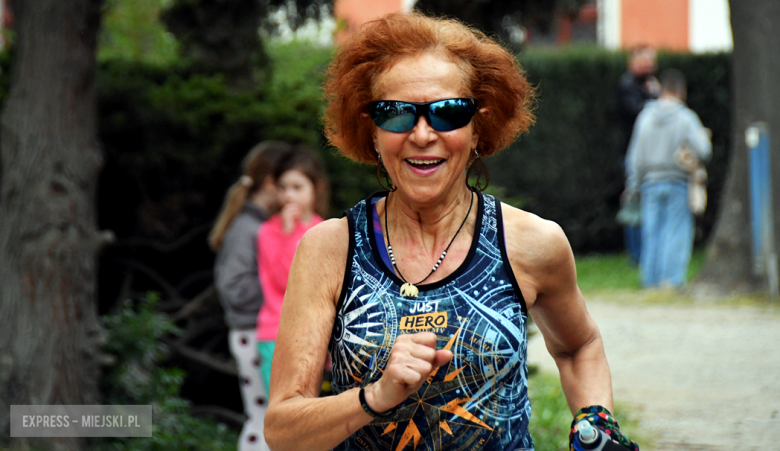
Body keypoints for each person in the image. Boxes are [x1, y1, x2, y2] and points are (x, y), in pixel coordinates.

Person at [264, 12, 639, 451]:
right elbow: (283, 430)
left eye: (447, 112)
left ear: (478, 126)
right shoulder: (330, 249)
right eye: (397, 114)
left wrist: (596, 420)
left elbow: (579, 347)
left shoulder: (532, 243)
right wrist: (373, 397)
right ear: (372, 132)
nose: (423, 134)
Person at [209, 141, 291, 451]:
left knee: (269, 417)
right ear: (271, 183)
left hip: (258, 333)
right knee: (263, 419)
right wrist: (281, 290)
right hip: (251, 334)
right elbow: (234, 288)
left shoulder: (261, 225)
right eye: (287, 185)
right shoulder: (248, 227)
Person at [625, 69, 711, 288]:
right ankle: (670, 281)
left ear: (662, 89)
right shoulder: (686, 118)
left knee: (651, 233)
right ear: (681, 91)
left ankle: (649, 281)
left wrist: (633, 183)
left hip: (650, 183)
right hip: (678, 182)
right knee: (676, 232)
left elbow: (635, 155)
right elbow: (704, 150)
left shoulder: (645, 117)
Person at [255, 145, 330, 392]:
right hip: (277, 334)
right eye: (283, 187)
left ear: (315, 188)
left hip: (316, 336)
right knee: (282, 414)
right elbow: (283, 281)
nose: (289, 195)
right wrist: (288, 235)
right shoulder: (269, 232)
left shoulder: (326, 230)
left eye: (297, 187)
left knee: (310, 412)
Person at [617, 45, 660, 265]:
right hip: (633, 154)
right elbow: (638, 112)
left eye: (651, 62)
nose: (648, 66)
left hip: (651, 154)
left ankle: (647, 253)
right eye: (644, 61)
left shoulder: (649, 83)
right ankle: (636, 255)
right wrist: (653, 95)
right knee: (634, 203)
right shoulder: (629, 85)